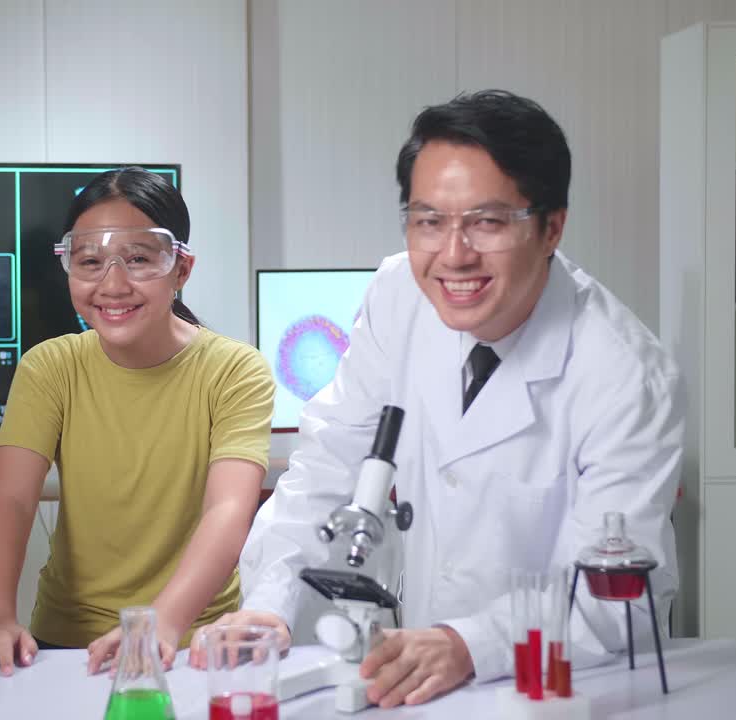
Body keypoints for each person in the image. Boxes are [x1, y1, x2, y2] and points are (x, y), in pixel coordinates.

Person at [197, 90, 684, 708]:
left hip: (569, 685)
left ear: (551, 226)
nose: (453, 255)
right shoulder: (398, 292)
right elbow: (328, 464)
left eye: (487, 221)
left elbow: (615, 599)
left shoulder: (625, 376)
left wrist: (468, 643)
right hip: (422, 679)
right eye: (429, 220)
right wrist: (271, 604)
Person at [0, 167, 275, 679]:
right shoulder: (50, 366)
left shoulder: (234, 369)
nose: (112, 284)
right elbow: (10, 498)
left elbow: (228, 509)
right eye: (90, 262)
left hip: (191, 643)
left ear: (181, 268)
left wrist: (162, 623)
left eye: (139, 259)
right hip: (70, 643)